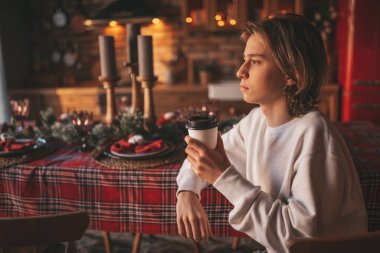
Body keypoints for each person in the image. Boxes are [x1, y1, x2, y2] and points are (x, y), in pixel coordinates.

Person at [176, 14, 368, 253]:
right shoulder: (257, 121)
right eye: (244, 59)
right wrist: (187, 191)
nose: (240, 71)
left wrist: (223, 177)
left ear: (292, 74)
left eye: (255, 61)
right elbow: (204, 155)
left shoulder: (314, 136)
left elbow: (300, 242)